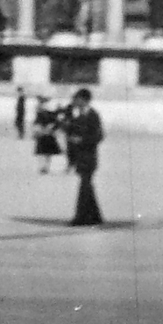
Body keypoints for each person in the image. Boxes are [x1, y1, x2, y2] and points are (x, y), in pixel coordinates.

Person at [63, 89, 104, 227]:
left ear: (84, 100)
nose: (74, 101)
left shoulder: (93, 115)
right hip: (80, 157)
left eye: (76, 99)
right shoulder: (77, 116)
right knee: (87, 187)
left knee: (84, 187)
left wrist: (81, 140)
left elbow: (99, 136)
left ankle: (80, 218)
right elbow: (69, 133)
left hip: (89, 158)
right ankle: (95, 216)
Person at [32, 96, 62, 175]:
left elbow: (56, 121)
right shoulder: (42, 113)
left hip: (47, 134)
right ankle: (44, 167)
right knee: (43, 152)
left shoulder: (47, 112)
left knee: (45, 152)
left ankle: (45, 167)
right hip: (44, 134)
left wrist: (51, 128)